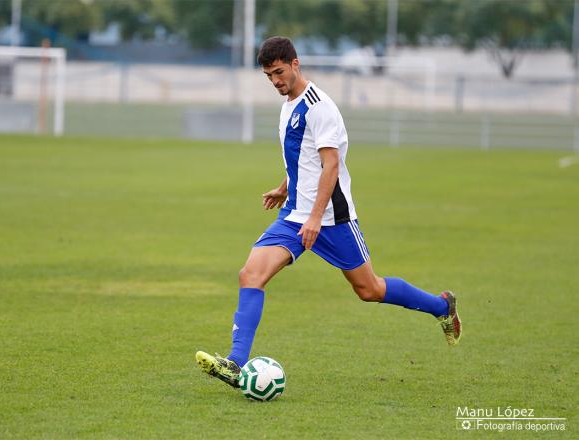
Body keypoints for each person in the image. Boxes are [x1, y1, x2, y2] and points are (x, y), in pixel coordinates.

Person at [195, 36, 461, 388]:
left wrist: (317, 218)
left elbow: (330, 166)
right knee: (250, 275)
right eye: (268, 75)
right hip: (293, 216)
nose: (274, 80)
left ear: (295, 64)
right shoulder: (289, 103)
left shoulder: (320, 107)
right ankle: (235, 362)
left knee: (369, 289)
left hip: (332, 218)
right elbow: (302, 158)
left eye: (278, 72)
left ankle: (442, 307)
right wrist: (285, 187)